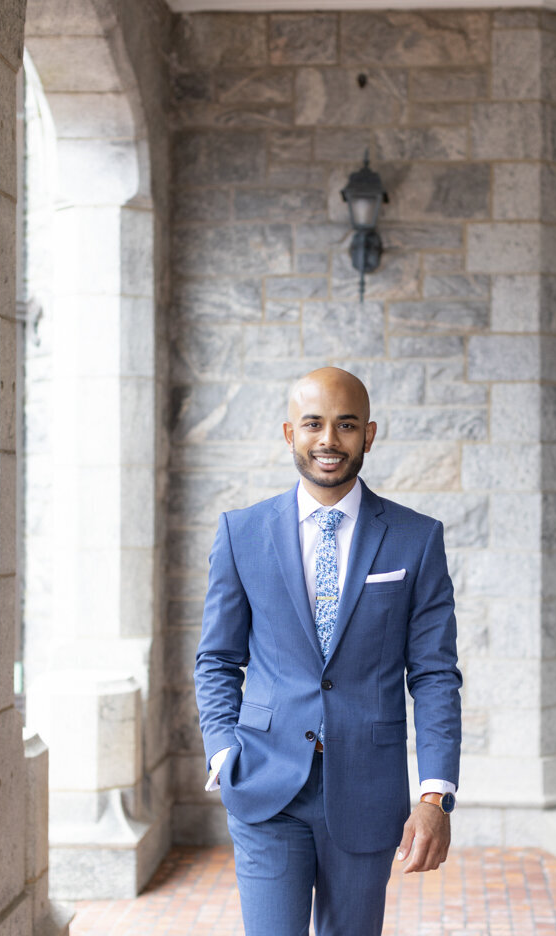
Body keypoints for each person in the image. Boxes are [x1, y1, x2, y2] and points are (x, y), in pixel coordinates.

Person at [194, 366, 461, 936]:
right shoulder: (242, 532)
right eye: (313, 423)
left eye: (345, 425)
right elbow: (217, 658)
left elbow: (435, 674)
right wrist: (222, 752)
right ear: (289, 433)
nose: (329, 441)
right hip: (265, 783)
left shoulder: (417, 538)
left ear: (369, 433)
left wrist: (435, 795)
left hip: (368, 790)